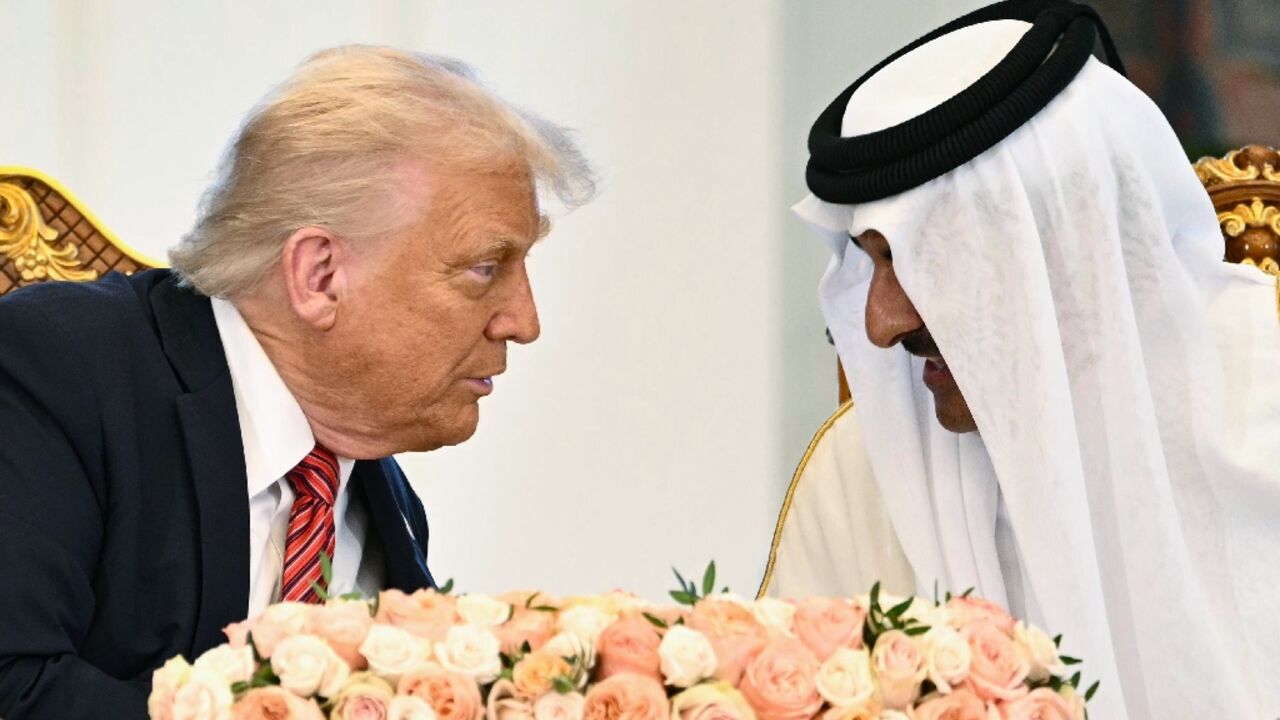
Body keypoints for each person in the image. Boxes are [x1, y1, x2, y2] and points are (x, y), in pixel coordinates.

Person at [0, 46, 594, 718]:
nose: (524, 321)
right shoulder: (54, 373)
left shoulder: (384, 499)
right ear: (319, 276)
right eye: (486, 268)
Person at [781, 0, 1280, 716]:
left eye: (917, 265)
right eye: (869, 265)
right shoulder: (859, 472)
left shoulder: (1267, 412)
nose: (880, 325)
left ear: (1056, 243)